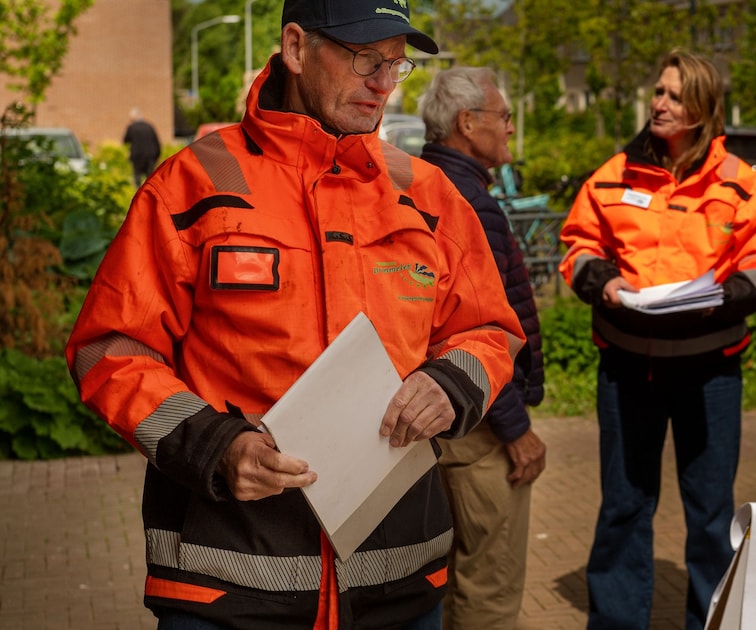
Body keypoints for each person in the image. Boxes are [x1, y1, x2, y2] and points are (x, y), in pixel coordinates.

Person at [65, 1, 524, 628]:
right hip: (227, 585)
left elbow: (487, 328)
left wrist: (451, 385)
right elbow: (110, 347)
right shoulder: (193, 184)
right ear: (296, 48)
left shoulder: (426, 194)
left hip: (398, 585)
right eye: (366, 58)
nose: (384, 84)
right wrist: (214, 447)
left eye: (397, 64)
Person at [558, 49, 756, 630]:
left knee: (712, 517)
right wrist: (601, 281)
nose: (659, 103)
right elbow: (578, 245)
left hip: (709, 371)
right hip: (625, 369)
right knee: (622, 509)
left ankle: (710, 622)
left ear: (704, 109)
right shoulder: (613, 174)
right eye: (658, 91)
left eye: (674, 94)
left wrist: (736, 293)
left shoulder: (744, 185)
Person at [416, 66, 546, 630]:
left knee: (436, 583)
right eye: (504, 116)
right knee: (487, 590)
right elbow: (479, 330)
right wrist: (516, 430)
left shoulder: (418, 183)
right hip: (480, 428)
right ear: (467, 123)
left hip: (438, 416)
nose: (511, 128)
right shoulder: (469, 202)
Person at [122, 107, 160, 187]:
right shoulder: (149, 126)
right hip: (150, 155)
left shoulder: (132, 127)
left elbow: (125, 140)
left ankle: (138, 194)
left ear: (133, 118)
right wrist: (157, 155)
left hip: (137, 155)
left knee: (137, 176)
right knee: (150, 177)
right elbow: (156, 141)